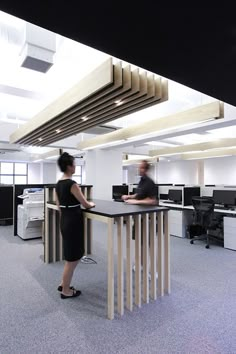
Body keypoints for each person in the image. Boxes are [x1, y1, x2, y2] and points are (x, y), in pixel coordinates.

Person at [55, 152, 95, 299]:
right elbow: (85, 203)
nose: (75, 166)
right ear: (69, 166)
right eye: (73, 163)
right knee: (72, 259)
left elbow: (59, 206)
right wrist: (91, 204)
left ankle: (63, 283)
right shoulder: (72, 184)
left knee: (72, 256)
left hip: (65, 220)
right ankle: (66, 291)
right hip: (73, 222)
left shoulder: (58, 184)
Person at [122, 160, 158, 276]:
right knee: (139, 243)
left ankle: (151, 270)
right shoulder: (141, 181)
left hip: (147, 218)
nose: (139, 169)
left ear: (146, 169)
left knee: (146, 244)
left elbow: (153, 201)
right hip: (138, 217)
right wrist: (130, 196)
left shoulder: (150, 182)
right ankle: (141, 265)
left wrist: (134, 201)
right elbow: (139, 195)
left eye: (142, 168)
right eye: (139, 167)